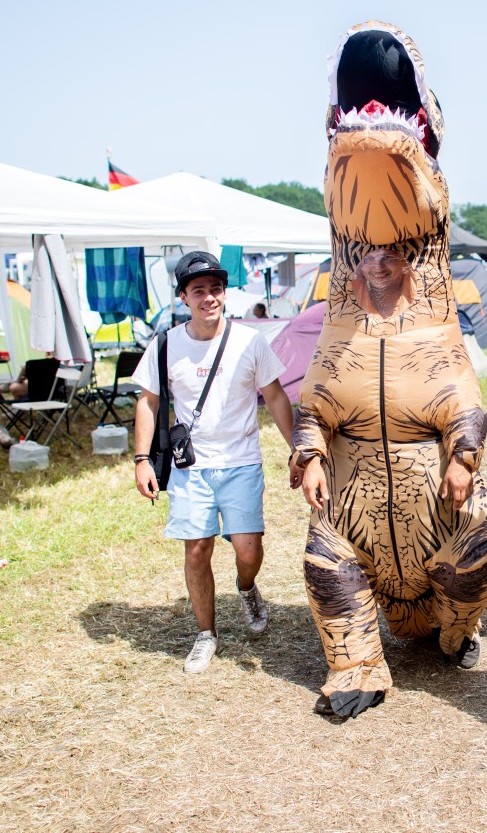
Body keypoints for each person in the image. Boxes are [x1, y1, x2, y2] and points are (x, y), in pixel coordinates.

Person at [132, 251, 297, 674]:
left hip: (241, 461)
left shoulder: (250, 341)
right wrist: (141, 460)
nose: (209, 297)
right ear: (184, 297)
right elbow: (148, 402)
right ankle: (206, 634)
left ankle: (246, 588)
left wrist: (297, 448)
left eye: (216, 289)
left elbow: (275, 397)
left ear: (225, 293)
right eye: (199, 290)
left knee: (248, 549)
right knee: (196, 551)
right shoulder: (165, 344)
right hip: (191, 467)